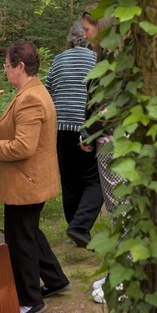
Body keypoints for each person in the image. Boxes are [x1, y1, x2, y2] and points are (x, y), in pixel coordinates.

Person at [0, 40, 70, 313]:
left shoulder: (31, 97)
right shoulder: (30, 92)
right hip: (31, 179)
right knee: (28, 232)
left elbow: (23, 147)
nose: (5, 71)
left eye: (7, 66)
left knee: (19, 240)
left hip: (26, 181)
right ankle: (55, 279)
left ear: (20, 66)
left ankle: (30, 299)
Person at [80, 8, 126, 304]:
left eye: (87, 29)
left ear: (103, 28)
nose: (84, 35)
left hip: (116, 144)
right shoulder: (103, 61)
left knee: (123, 208)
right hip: (104, 143)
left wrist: (90, 132)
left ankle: (127, 279)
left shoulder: (116, 66)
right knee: (114, 209)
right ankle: (121, 270)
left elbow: (110, 109)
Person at [46, 20, 104, 248]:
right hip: (86, 128)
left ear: (71, 38)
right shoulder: (95, 60)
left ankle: (75, 227)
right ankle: (79, 227)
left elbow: (49, 91)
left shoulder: (59, 59)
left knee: (69, 180)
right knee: (93, 179)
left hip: (61, 128)